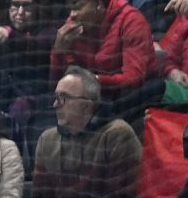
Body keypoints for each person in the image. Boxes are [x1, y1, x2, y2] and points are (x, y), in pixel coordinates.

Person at [48, 0, 154, 113]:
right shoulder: (72, 27)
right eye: (69, 9)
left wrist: (92, 81)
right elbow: (59, 82)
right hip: (92, 99)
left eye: (78, 6)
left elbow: (134, 79)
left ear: (98, 2)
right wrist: (59, 51)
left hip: (133, 100)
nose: (72, 15)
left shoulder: (131, 21)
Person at [31, 66, 142, 198]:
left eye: (64, 97)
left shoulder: (117, 135)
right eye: (56, 97)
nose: (55, 104)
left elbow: (125, 195)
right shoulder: (47, 140)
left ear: (86, 106)